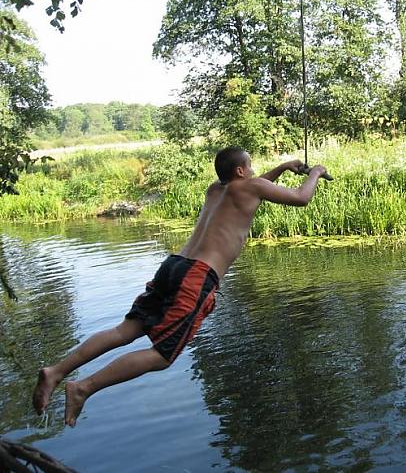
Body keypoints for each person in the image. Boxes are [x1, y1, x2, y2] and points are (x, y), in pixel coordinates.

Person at [32, 146, 328, 427]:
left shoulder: (217, 189)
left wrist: (283, 167)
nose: (253, 171)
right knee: (162, 355)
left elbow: (257, 186)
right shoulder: (250, 187)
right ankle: (83, 388)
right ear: (240, 171)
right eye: (249, 166)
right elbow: (301, 198)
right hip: (197, 276)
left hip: (174, 265)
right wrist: (314, 172)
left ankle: (55, 371)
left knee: (126, 330)